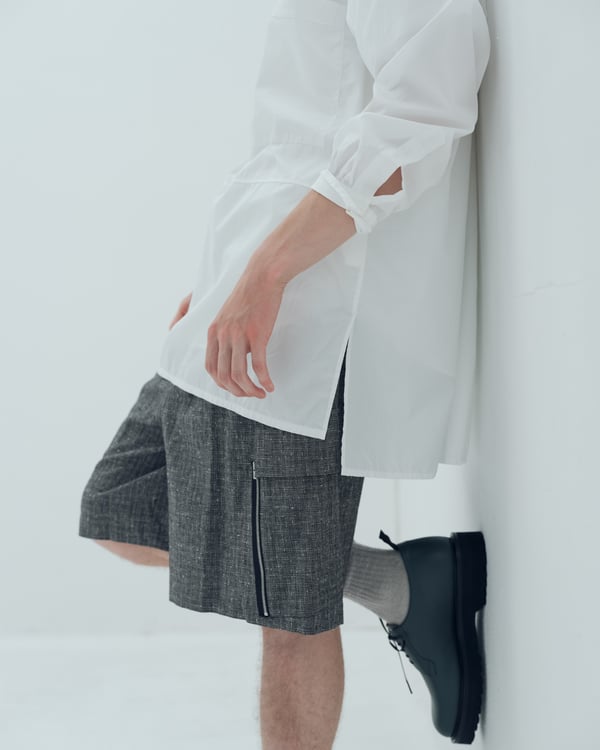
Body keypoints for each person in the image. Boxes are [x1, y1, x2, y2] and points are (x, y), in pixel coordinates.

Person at [78, 0, 491, 747]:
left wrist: (265, 275)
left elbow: (424, 111)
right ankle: (402, 586)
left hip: (312, 314)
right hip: (250, 293)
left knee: (288, 614)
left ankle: (392, 585)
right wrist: (227, 276)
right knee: (121, 506)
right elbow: (295, 134)